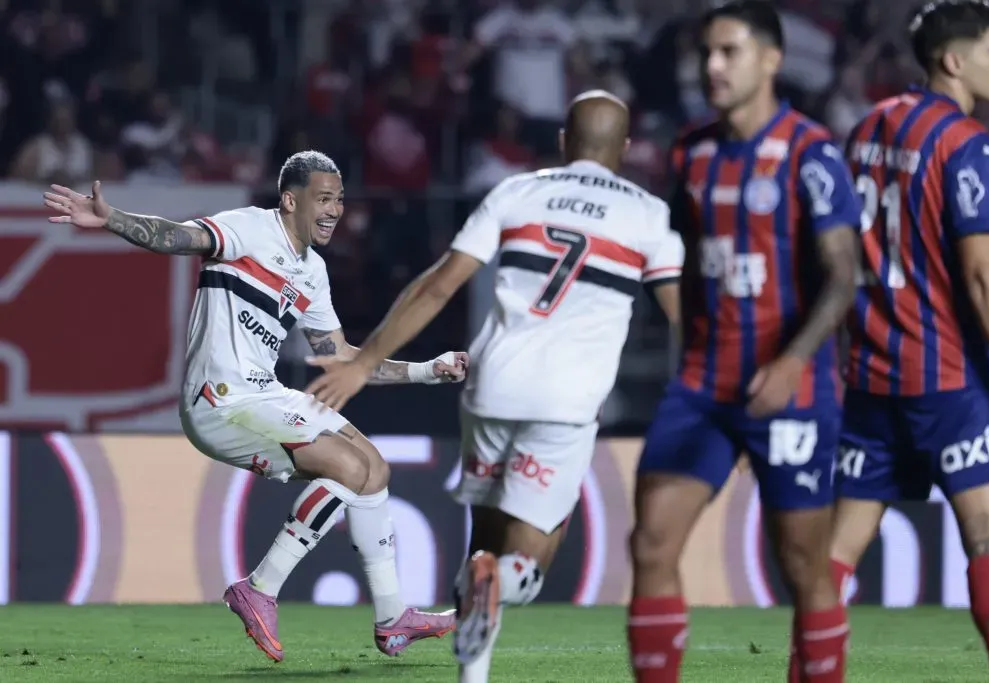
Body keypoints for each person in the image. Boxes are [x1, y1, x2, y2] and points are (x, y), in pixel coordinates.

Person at [301, 90, 684, 683]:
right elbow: (685, 318)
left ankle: (472, 673)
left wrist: (362, 361)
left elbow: (437, 284)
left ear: (563, 140)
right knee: (525, 561)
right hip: (565, 402)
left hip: (490, 387)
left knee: (483, 542)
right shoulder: (649, 216)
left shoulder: (517, 191)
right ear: (626, 150)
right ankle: (498, 585)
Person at [42, 151, 464, 662]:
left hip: (264, 392)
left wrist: (425, 370)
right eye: (323, 199)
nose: (334, 211)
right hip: (218, 402)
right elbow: (177, 236)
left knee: (374, 469)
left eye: (339, 201)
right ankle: (258, 588)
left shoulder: (313, 271)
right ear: (291, 199)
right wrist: (113, 220)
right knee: (349, 469)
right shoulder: (248, 228)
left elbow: (344, 360)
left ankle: (392, 618)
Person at [626, 2, 862, 682]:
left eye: (728, 52)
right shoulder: (692, 151)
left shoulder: (810, 152)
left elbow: (844, 275)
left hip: (791, 387)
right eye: (707, 54)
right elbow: (687, 261)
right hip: (703, 386)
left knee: (803, 565)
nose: (712, 67)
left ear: (771, 60)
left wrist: (792, 359)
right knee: (651, 542)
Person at [828, 2, 989, 681]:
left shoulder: (863, 130)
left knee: (836, 557)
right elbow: (980, 281)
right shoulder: (968, 142)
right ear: (953, 60)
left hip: (871, 377)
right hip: (947, 379)